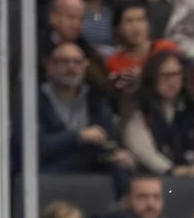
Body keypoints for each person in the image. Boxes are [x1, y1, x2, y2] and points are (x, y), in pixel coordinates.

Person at [39, 37, 132, 175]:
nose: (71, 67)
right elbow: (37, 145)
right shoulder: (36, 100)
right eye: (64, 62)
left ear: (85, 66)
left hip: (89, 168)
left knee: (120, 166)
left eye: (77, 62)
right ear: (50, 66)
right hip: (49, 170)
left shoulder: (95, 98)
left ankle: (125, 197)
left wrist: (118, 153)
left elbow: (106, 137)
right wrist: (78, 136)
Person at [125, 49, 194, 177]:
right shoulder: (140, 108)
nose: (172, 81)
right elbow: (143, 150)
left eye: (176, 74)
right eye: (165, 75)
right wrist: (171, 170)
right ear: (153, 77)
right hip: (154, 179)